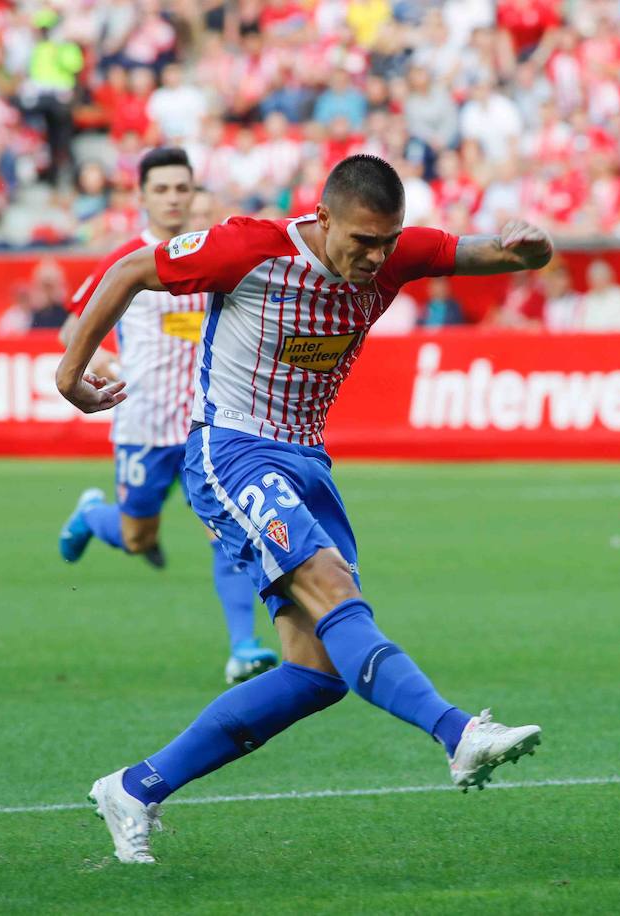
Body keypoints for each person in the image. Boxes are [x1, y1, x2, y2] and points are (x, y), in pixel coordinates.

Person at [57, 154, 552, 864]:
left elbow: (499, 252)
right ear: (323, 220)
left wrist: (529, 248)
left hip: (306, 462)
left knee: (316, 674)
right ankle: (457, 734)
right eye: (361, 242)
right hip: (231, 451)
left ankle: (135, 787)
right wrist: (71, 371)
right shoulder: (250, 247)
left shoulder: (394, 256)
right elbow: (133, 268)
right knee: (332, 588)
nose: (375, 258)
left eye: (388, 242)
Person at [56, 148, 278, 686]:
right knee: (137, 537)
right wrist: (107, 363)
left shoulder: (214, 253)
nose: (174, 198)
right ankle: (92, 517)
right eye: (162, 189)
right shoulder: (127, 258)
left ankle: (244, 646)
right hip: (143, 420)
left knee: (225, 532)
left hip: (210, 420)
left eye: (182, 188)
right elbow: (71, 332)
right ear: (143, 197)